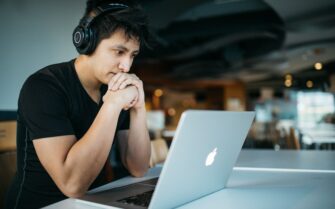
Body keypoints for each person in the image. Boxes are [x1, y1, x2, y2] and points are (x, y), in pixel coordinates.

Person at [5, 0, 152, 208]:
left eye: (133, 55)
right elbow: (72, 185)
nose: (126, 66)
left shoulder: (114, 87)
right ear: (87, 41)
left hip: (93, 203)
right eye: (119, 52)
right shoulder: (43, 87)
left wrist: (139, 107)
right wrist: (111, 105)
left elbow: (139, 168)